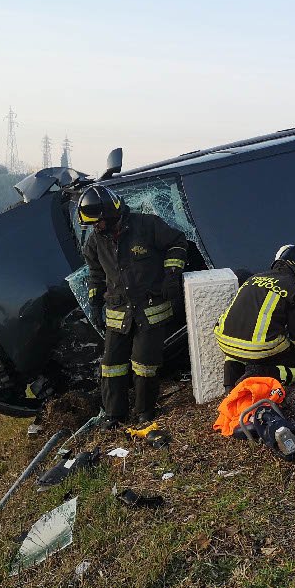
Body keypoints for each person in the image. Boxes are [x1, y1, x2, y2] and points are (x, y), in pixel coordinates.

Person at [79, 185, 188, 433]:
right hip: (118, 311)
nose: (95, 227)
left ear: (110, 214)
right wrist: (95, 300)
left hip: (151, 310)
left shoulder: (147, 225)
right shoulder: (95, 241)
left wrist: (172, 273)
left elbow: (178, 242)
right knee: (111, 364)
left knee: (144, 363)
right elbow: (96, 273)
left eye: (98, 222)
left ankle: (144, 412)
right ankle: (114, 415)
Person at [215, 245, 295, 391]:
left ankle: (229, 384)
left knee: (239, 348)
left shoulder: (253, 278)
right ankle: (258, 374)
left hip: (224, 340)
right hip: (259, 348)